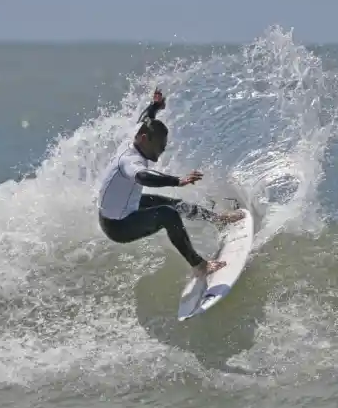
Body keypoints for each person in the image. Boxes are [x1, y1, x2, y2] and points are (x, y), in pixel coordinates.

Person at [96, 89, 245, 277]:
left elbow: (146, 119)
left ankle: (218, 220)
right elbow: (143, 177)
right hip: (117, 226)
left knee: (174, 204)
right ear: (144, 139)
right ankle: (199, 266)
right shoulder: (129, 161)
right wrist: (177, 181)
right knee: (169, 215)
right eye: (159, 147)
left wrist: (155, 106)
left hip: (122, 206)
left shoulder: (138, 136)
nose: (159, 154)